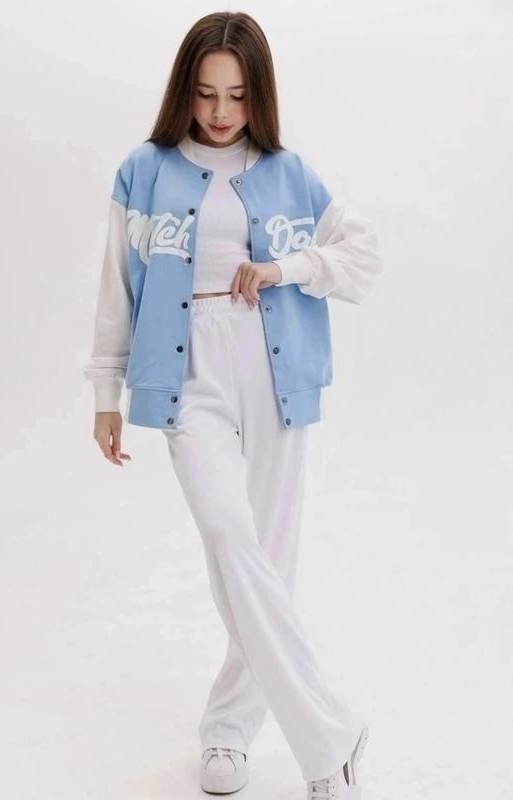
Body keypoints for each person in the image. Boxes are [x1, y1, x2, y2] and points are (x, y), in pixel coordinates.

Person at [84, 11, 382, 799]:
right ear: (184, 90)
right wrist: (105, 390)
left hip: (273, 368)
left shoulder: (289, 172)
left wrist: (286, 267)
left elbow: (362, 259)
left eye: (238, 96)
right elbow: (117, 286)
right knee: (229, 538)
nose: (220, 112)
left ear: (260, 96)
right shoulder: (143, 171)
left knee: (265, 565)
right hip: (187, 374)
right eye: (206, 93)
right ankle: (329, 735)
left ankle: (227, 730)